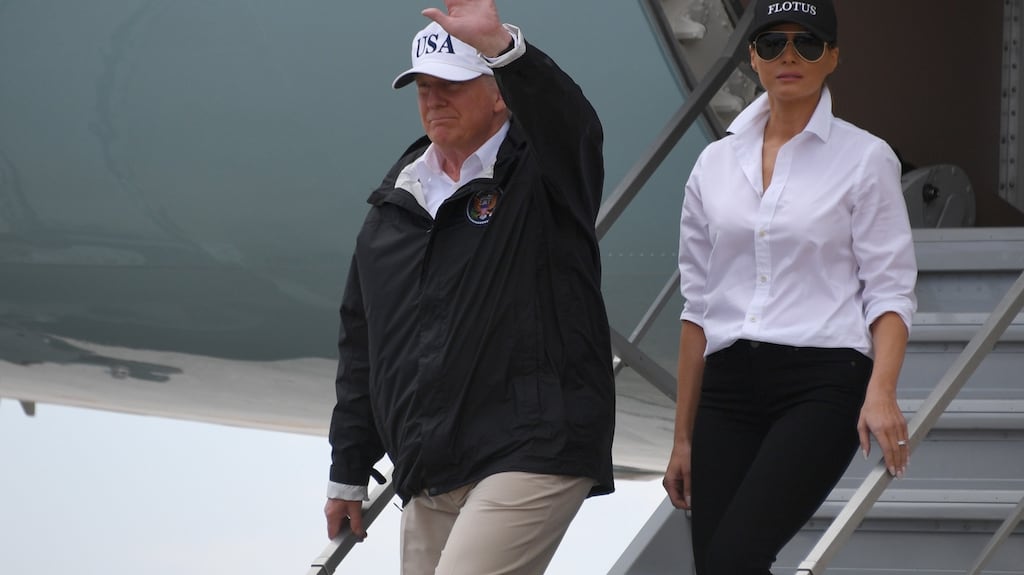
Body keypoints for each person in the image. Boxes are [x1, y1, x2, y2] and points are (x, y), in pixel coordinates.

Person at [323, 1, 616, 573]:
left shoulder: (543, 174)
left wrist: (506, 50)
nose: (434, 99)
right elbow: (363, 346)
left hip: (531, 446)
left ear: (500, 92)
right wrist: (349, 469)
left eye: (452, 85)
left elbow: (572, 124)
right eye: (423, 86)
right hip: (430, 463)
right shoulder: (392, 209)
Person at [662, 1, 918, 573]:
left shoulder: (866, 158)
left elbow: (891, 292)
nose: (789, 56)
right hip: (727, 387)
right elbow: (697, 308)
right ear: (753, 56)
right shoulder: (713, 164)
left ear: (832, 57)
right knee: (715, 565)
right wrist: (682, 438)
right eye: (772, 43)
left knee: (738, 555)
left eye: (807, 42)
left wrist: (881, 391)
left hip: (822, 383)